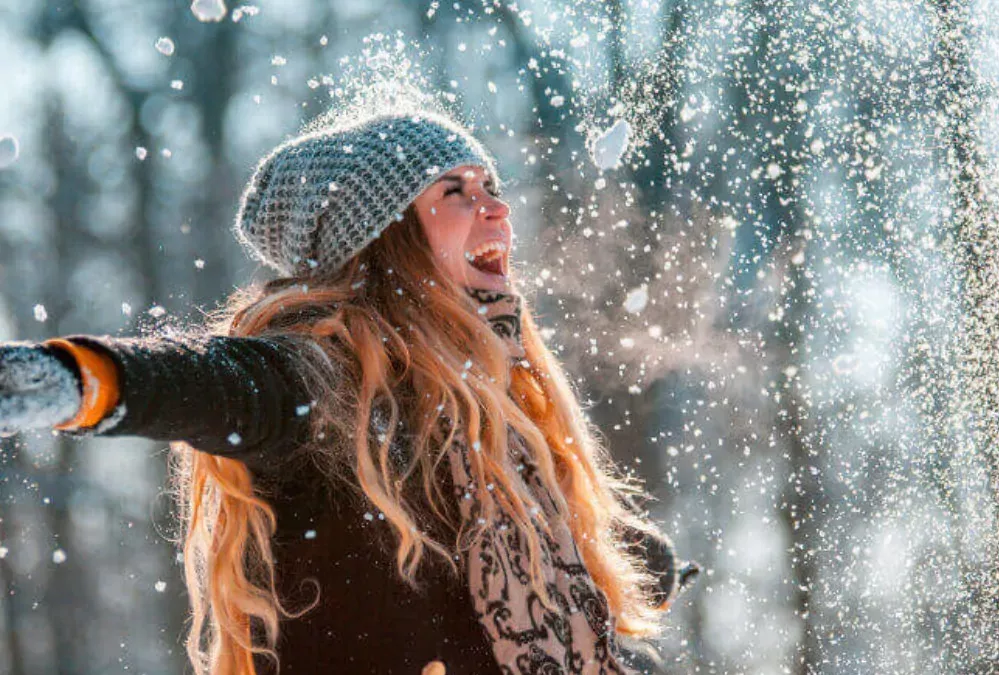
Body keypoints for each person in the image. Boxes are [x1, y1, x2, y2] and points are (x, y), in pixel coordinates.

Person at [0, 106, 691, 674]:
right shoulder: (323, 383)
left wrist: (616, 555)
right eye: (455, 192)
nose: (496, 210)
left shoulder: (492, 421)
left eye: (491, 186)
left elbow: (508, 545)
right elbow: (205, 381)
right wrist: (72, 381)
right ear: (386, 237)